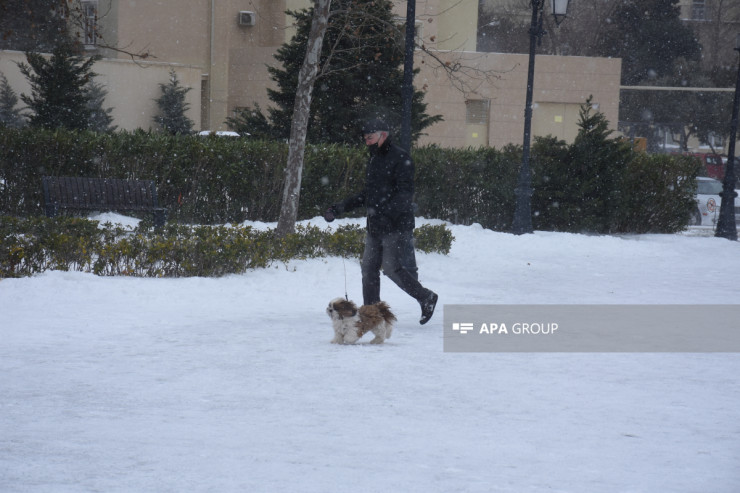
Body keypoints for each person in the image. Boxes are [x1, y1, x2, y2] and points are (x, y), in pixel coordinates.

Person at [323, 118, 438, 325]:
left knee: (392, 268)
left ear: (383, 135)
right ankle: (371, 314)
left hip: (396, 226)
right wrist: (339, 208)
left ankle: (426, 297)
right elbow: (368, 194)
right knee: (368, 269)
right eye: (365, 138)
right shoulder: (374, 159)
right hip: (375, 226)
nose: (367, 142)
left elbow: (405, 195)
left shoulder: (401, 158)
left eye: (370, 137)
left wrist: (388, 216)